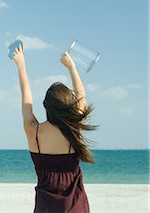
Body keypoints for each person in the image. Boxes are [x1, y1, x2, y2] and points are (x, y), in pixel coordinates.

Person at [12, 44, 97, 213]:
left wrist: (21, 65)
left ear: (46, 106)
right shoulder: (73, 129)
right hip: (76, 207)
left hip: (45, 208)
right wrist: (71, 66)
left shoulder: (34, 132)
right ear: (69, 107)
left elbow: (26, 94)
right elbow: (81, 96)